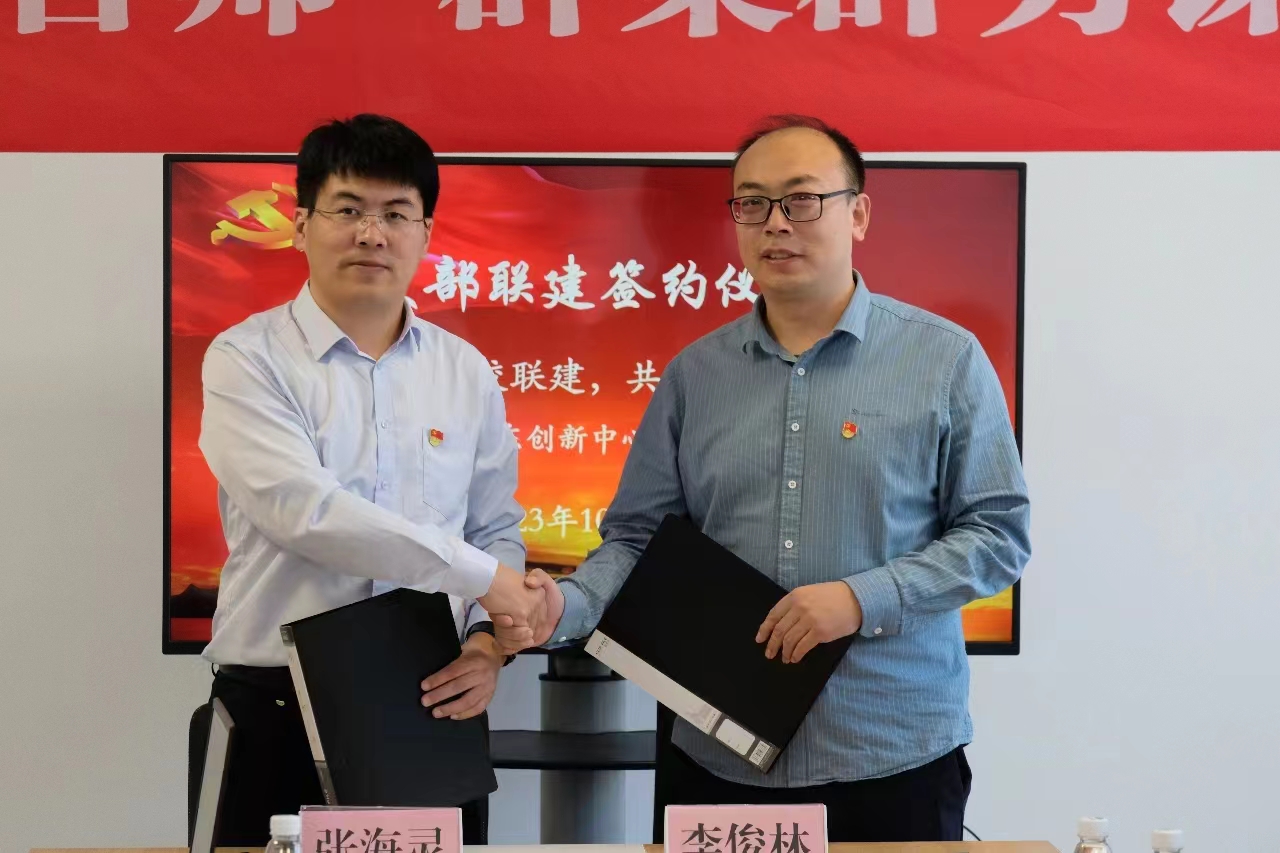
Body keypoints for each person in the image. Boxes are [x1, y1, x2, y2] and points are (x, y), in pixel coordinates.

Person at [503, 115, 1032, 842]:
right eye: (752, 203)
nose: (775, 223)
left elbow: (998, 535)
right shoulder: (695, 374)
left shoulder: (945, 359)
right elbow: (637, 539)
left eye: (801, 199)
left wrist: (861, 598)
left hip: (891, 751)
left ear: (859, 214)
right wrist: (565, 605)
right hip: (716, 749)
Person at [198, 114, 542, 846]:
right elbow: (304, 511)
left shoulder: (464, 369)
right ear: (301, 226)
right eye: (348, 209)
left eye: (395, 214)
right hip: (278, 705)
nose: (372, 234)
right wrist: (487, 579)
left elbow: (495, 525)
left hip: (432, 703)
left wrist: (488, 642)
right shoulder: (246, 358)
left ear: (425, 232)